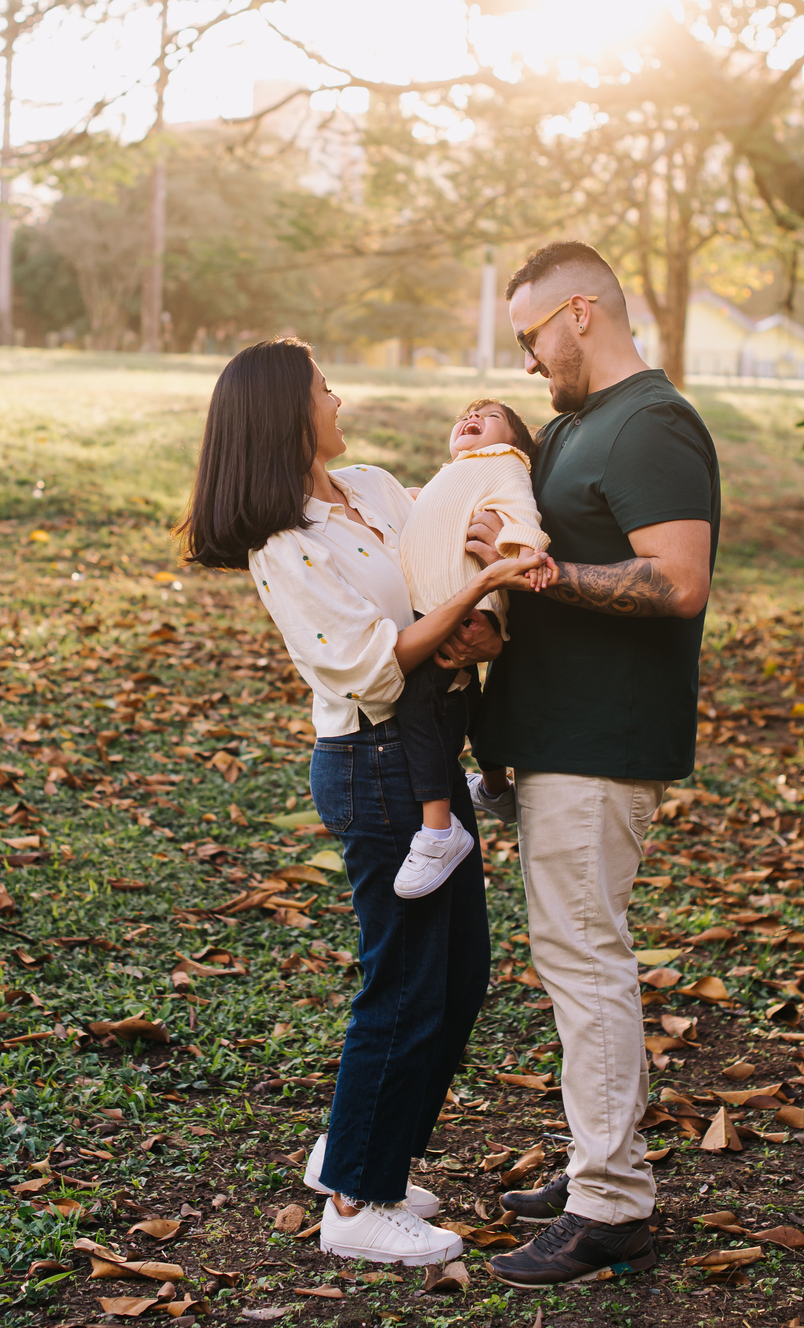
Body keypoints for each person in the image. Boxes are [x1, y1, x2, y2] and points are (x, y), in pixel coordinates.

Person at [178, 338, 546, 1267]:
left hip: (426, 756)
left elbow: (445, 557)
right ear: (286, 415)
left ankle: (361, 1151)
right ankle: (354, 1201)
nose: (337, 400)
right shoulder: (285, 547)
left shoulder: (376, 489)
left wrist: (482, 579)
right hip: (375, 763)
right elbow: (375, 666)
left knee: (459, 976)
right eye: (323, 389)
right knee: (407, 982)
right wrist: (479, 587)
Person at [468, 241, 720, 1290]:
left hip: (601, 744)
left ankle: (611, 1204)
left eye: (531, 336)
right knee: (569, 956)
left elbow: (679, 580)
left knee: (585, 959)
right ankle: (593, 1169)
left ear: (580, 312)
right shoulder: (576, 426)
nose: (527, 359)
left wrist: (539, 571)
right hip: (553, 739)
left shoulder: (652, 423)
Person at [392, 397, 556, 899]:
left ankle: (439, 831)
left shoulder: (505, 463)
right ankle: (495, 786)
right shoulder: (457, 472)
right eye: (466, 414)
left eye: (490, 417)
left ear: (513, 442)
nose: (472, 418)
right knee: (465, 697)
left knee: (418, 704)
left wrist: (524, 550)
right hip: (441, 603)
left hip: (456, 606)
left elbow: (521, 511)